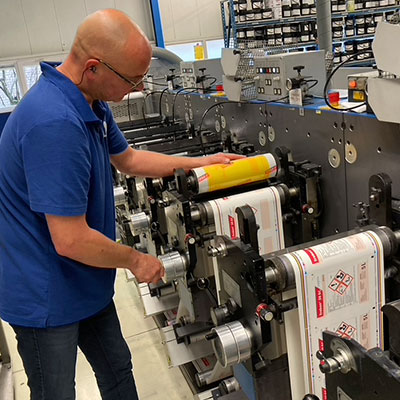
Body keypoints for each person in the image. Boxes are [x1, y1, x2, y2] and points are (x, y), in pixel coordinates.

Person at [0, 9, 242, 400]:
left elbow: (128, 160)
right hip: (45, 295)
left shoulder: (90, 102)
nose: (139, 88)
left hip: (86, 280)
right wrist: (135, 259)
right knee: (56, 392)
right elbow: (70, 240)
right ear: (93, 67)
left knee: (117, 372)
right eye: (133, 79)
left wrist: (200, 163)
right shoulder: (54, 124)